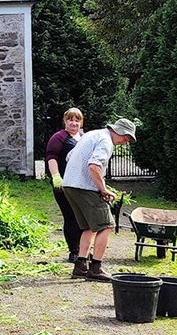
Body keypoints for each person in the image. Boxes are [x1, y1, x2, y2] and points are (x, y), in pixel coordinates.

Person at [60, 117, 138, 281]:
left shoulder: (92, 134)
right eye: (126, 137)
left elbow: (69, 156)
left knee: (89, 226)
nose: (126, 142)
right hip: (84, 187)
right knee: (107, 225)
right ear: (119, 131)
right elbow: (94, 166)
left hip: (69, 185)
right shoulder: (106, 141)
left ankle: (80, 266)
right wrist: (103, 189)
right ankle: (96, 268)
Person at [45, 108, 86, 262]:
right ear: (65, 121)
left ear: (81, 122)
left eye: (77, 120)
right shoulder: (58, 137)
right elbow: (52, 157)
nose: (74, 123)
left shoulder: (83, 137)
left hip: (81, 184)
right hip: (64, 184)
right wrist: (56, 176)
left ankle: (83, 250)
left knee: (83, 217)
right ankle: (73, 251)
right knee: (71, 217)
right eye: (70, 120)